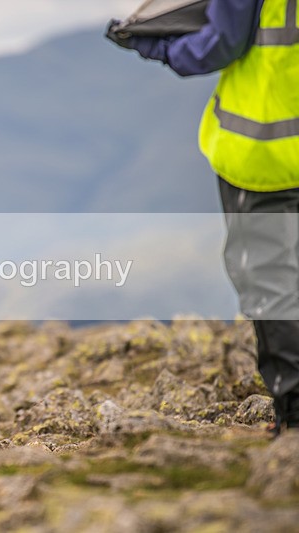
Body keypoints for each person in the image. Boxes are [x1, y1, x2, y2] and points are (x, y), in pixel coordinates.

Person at [107, 0, 299, 434]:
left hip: (269, 155)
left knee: (272, 283)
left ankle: (295, 417)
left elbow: (219, 44)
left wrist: (150, 44)